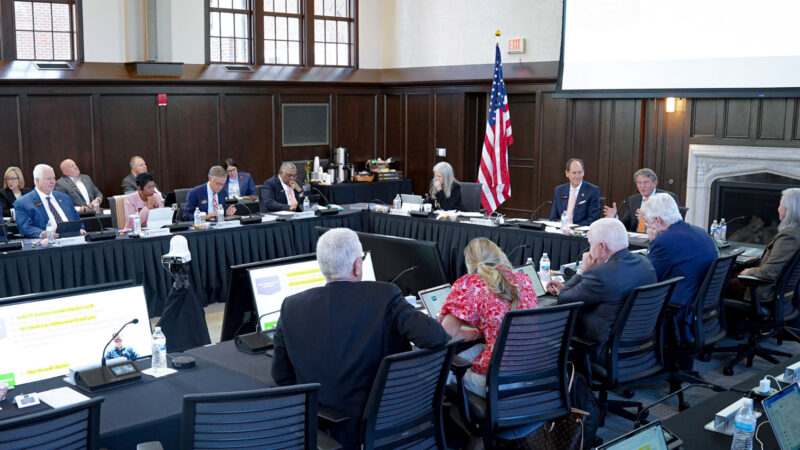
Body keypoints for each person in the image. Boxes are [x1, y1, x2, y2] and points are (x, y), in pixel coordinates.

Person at [272, 228, 448, 448]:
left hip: (321, 429)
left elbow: (280, 376)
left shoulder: (291, 306)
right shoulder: (385, 296)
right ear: (357, 265)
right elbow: (435, 337)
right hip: (384, 421)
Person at [439, 237, 538, 396]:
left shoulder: (473, 285)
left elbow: (446, 335)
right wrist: (479, 333)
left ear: (470, 263)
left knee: (441, 367)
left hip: (496, 382)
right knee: (476, 349)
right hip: (533, 371)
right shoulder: (524, 280)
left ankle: (446, 419)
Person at [547, 218, 656, 356]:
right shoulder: (645, 263)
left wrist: (583, 270)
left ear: (602, 247)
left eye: (591, 244)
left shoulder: (599, 275)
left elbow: (563, 299)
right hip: (640, 345)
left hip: (603, 348)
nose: (589, 250)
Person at [641, 193, 717, 342]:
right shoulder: (701, 232)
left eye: (648, 223)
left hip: (680, 307)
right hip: (702, 303)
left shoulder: (664, 240)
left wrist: (653, 243)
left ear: (658, 221)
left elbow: (649, 276)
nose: (648, 227)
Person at [733, 188, 800, 302]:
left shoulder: (789, 237)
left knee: (717, 286)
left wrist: (749, 271)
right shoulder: (795, 231)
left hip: (763, 293)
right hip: (780, 293)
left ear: (789, 210)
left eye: (780, 205)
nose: (778, 209)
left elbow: (769, 273)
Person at [14, 164, 84, 238]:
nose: (53, 182)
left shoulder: (64, 198)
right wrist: (43, 234)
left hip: (73, 239)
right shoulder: (23, 203)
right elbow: (25, 227)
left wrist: (80, 229)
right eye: (48, 179)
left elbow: (77, 220)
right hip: (48, 243)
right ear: (37, 180)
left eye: (54, 178)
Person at [604, 168, 680, 232]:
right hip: (636, 238)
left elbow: (671, 224)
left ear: (655, 183)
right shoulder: (633, 200)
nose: (642, 186)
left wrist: (647, 220)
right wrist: (614, 218)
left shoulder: (666, 198)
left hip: (657, 236)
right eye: (639, 183)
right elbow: (626, 224)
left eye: (645, 182)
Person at [549, 158, 601, 226]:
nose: (577, 176)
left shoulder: (592, 191)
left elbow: (592, 220)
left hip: (579, 232)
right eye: (574, 173)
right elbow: (553, 218)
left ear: (583, 172)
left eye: (580, 172)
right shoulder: (559, 190)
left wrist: (572, 227)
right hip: (561, 230)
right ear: (567, 173)